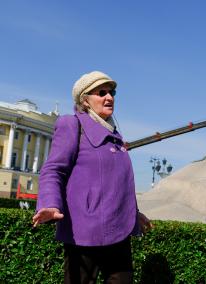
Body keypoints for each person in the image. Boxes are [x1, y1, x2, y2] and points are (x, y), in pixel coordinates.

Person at [32, 71, 153, 283]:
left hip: (119, 230)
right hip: (84, 230)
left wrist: (134, 213)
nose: (109, 97)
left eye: (112, 92)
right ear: (85, 100)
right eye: (101, 92)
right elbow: (53, 169)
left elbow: (117, 183)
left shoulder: (115, 137)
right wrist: (50, 203)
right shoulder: (72, 124)